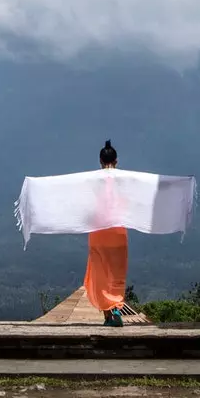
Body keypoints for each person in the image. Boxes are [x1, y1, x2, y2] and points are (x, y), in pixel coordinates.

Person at [85, 139, 129, 326]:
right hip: (119, 232)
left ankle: (107, 316)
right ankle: (117, 307)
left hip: (99, 232)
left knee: (100, 274)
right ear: (117, 161)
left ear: (100, 161)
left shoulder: (94, 182)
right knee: (117, 274)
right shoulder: (125, 181)